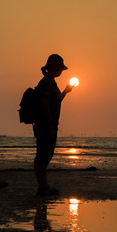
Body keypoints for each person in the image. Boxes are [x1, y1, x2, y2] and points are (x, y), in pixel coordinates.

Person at [33, 54, 73, 196]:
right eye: (60, 68)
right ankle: (42, 187)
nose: (61, 71)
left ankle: (44, 186)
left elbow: (56, 101)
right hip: (45, 124)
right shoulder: (46, 83)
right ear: (54, 68)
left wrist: (66, 92)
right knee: (42, 155)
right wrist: (50, 124)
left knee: (46, 155)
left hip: (49, 124)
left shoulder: (51, 82)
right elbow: (44, 105)